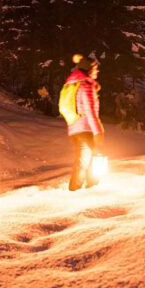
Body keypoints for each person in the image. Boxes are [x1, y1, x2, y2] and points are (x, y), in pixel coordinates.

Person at [63, 54, 104, 191]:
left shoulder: (75, 83)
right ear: (89, 70)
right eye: (95, 69)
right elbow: (90, 111)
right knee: (84, 162)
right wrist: (98, 132)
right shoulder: (86, 86)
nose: (97, 71)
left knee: (90, 160)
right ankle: (74, 190)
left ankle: (92, 188)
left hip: (75, 129)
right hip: (85, 129)